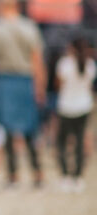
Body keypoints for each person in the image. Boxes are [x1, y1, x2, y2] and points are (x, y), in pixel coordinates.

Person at [0, 0, 47, 188]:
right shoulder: (30, 27)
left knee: (8, 129)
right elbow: (37, 60)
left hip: (4, 81)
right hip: (26, 81)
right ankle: (38, 173)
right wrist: (40, 87)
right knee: (30, 128)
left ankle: (13, 176)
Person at [55, 36, 94, 193]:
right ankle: (78, 176)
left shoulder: (64, 64)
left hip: (66, 106)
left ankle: (66, 175)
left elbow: (58, 84)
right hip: (84, 105)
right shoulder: (90, 64)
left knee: (62, 143)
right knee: (79, 141)